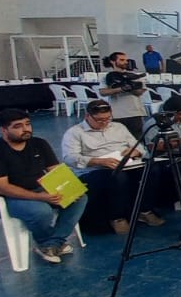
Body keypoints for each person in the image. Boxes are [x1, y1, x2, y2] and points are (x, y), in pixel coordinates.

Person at [0, 109, 88, 264]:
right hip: (0, 200)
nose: (26, 129)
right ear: (3, 130)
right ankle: (49, 243)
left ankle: (52, 244)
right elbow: (2, 188)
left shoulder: (39, 144)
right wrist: (40, 197)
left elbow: (55, 170)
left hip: (37, 190)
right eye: (18, 126)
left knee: (79, 198)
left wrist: (71, 187)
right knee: (41, 211)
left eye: (28, 124)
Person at [61, 100, 159, 234]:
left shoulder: (118, 127)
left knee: (152, 170)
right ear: (87, 116)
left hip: (125, 164)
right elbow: (69, 158)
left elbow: (139, 147)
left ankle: (144, 210)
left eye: (108, 118)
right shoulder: (74, 133)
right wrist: (96, 161)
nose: (105, 122)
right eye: (100, 120)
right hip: (93, 170)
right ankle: (117, 217)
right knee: (118, 177)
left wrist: (134, 151)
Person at [100, 51, 148, 138]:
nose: (125, 62)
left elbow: (139, 92)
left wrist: (129, 85)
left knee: (136, 141)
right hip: (117, 115)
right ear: (113, 61)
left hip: (134, 114)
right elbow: (103, 92)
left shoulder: (133, 76)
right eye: (122, 60)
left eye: (126, 60)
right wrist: (120, 88)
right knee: (117, 141)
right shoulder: (106, 77)